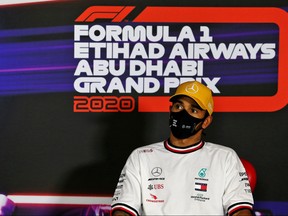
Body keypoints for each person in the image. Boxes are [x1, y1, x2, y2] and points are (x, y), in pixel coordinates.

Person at [111, 81, 254, 216]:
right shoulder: (141, 156)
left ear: (206, 121)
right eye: (178, 107)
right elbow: (123, 210)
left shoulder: (225, 157)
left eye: (193, 110)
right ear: (170, 111)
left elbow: (240, 211)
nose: (183, 114)